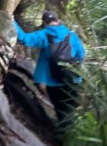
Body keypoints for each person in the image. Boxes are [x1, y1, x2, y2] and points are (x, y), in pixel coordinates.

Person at [13, 10, 85, 139]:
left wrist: (12, 21)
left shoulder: (44, 34)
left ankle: (64, 139)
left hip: (54, 80)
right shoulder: (71, 35)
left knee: (60, 110)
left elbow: (24, 39)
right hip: (73, 79)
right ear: (58, 21)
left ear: (45, 23)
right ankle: (72, 140)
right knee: (69, 110)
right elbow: (82, 54)